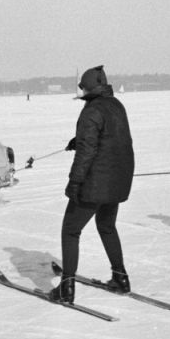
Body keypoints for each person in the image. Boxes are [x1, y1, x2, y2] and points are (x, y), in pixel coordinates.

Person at [49, 65, 135, 303]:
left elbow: (87, 152)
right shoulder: (117, 106)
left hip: (96, 182)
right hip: (118, 180)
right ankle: (120, 277)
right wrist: (80, 139)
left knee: (71, 230)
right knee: (107, 226)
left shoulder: (91, 111)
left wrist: (74, 182)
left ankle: (66, 288)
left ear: (88, 90)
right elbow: (111, 137)